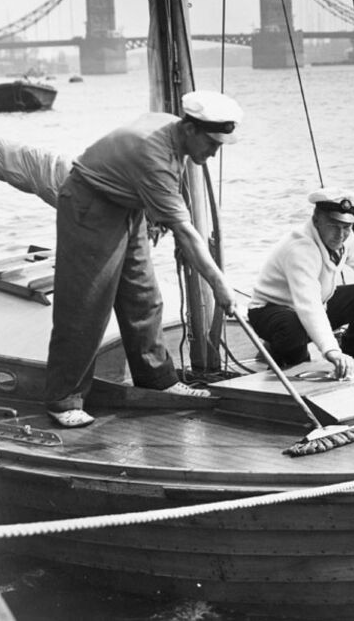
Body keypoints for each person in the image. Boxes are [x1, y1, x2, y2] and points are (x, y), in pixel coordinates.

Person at [44, 90, 243, 428]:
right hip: (89, 203)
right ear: (191, 130)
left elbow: (169, 200)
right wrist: (221, 286)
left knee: (144, 296)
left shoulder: (173, 130)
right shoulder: (155, 156)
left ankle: (157, 380)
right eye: (212, 143)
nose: (214, 152)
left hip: (127, 205)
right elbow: (186, 232)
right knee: (86, 306)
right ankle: (64, 399)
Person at [248, 188, 354, 381]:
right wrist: (331, 351)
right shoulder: (300, 248)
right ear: (316, 220)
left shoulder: (344, 238)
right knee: (293, 327)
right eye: (333, 225)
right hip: (271, 311)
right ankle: (285, 358)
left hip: (317, 304)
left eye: (346, 227)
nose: (340, 234)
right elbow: (309, 306)